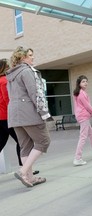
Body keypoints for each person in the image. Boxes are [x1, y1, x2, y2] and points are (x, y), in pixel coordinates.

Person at [6, 46, 51, 187]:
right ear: (22, 57)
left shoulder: (11, 75)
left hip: (14, 114)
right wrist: (44, 113)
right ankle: (23, 171)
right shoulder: (26, 71)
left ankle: (29, 178)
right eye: (30, 55)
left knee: (25, 146)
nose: (33, 57)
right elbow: (35, 94)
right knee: (43, 141)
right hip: (28, 113)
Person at [73, 75, 92, 166]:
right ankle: (77, 158)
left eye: (86, 81)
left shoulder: (79, 93)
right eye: (83, 81)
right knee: (83, 137)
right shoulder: (81, 93)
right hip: (83, 117)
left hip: (83, 116)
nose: (85, 83)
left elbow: (82, 107)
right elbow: (87, 106)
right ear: (79, 83)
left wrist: (90, 114)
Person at [0, 58, 22, 166]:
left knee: (1, 142)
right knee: (22, 141)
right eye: (8, 66)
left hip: (1, 117)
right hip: (6, 116)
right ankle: (25, 169)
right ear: (4, 68)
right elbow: (7, 99)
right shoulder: (4, 80)